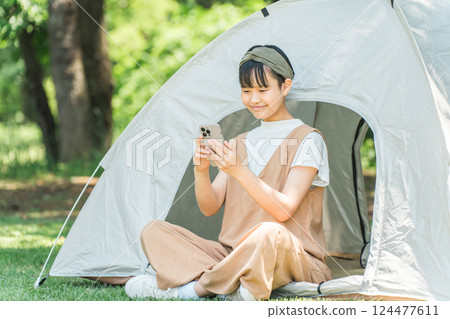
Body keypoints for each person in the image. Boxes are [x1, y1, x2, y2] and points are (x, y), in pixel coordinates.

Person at [124, 45, 332, 300]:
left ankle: (194, 290)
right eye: (246, 91)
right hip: (233, 254)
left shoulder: (308, 139)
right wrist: (200, 171)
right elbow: (210, 207)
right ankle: (235, 282)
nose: (254, 99)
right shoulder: (239, 143)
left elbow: (284, 210)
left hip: (293, 258)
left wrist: (240, 171)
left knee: (269, 233)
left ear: (285, 87)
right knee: (153, 230)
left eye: (262, 90)